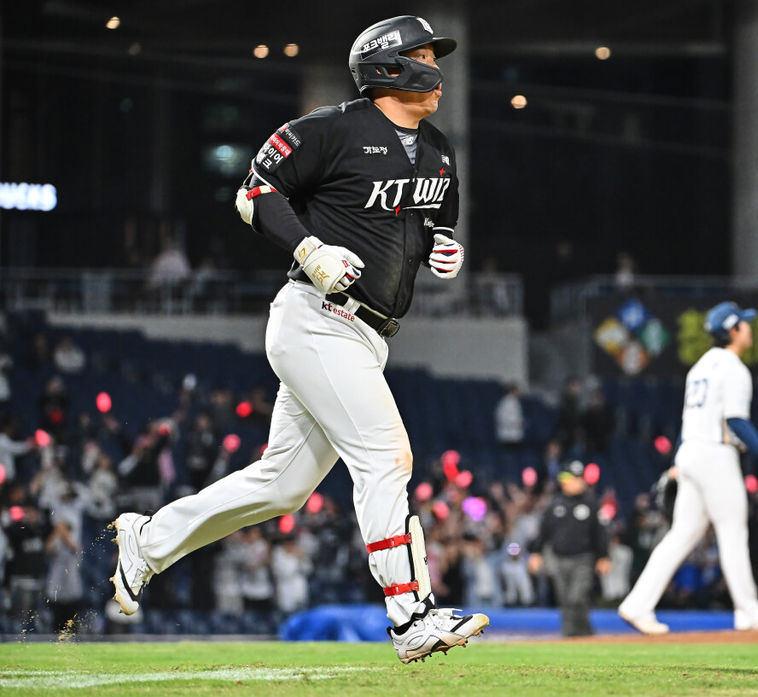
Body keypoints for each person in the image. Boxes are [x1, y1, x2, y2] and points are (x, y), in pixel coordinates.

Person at [108, 15, 488, 664]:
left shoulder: (437, 148)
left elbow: (435, 217)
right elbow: (255, 192)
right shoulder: (331, 128)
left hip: (367, 337)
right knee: (386, 456)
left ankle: (147, 541)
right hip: (317, 316)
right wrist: (310, 249)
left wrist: (441, 245)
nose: (436, 68)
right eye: (424, 54)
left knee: (280, 486)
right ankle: (410, 616)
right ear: (388, 66)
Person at [618, 301, 758, 634]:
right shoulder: (734, 368)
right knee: (732, 531)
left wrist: (678, 463)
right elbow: (736, 421)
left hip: (691, 452)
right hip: (715, 454)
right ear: (732, 330)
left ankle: (637, 604)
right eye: (743, 323)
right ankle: (750, 611)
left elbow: (689, 422)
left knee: (682, 534)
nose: (748, 328)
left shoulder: (699, 366)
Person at [528, 460, 611, 636]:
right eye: (567, 478)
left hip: (583, 559)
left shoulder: (591, 503)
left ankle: (582, 634)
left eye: (575, 479)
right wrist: (536, 552)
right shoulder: (555, 504)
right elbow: (544, 531)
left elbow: (600, 533)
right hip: (559, 558)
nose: (570, 483)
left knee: (577, 597)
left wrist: (604, 556)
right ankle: (571, 636)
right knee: (565, 600)